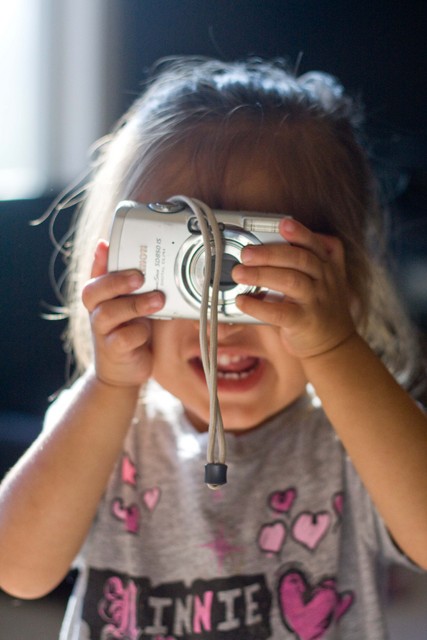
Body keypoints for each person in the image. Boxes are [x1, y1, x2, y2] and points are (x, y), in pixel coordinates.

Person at [0, 56, 426, 640]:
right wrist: (108, 386)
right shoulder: (102, 426)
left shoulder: (358, 437)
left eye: (258, 269)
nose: (220, 317)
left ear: (341, 288)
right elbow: (17, 571)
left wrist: (335, 350)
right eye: (190, 269)